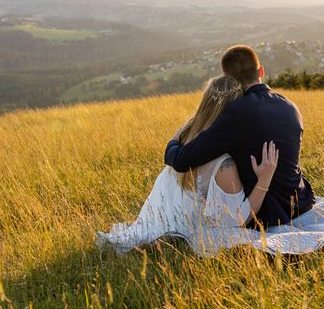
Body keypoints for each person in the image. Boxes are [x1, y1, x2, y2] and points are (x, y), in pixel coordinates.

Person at [95, 74, 280, 254]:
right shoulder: (224, 165)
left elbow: (171, 147)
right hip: (192, 230)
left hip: (166, 220)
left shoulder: (187, 132)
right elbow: (239, 220)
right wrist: (264, 180)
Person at [164, 45, 316, 228]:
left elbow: (182, 161)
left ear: (230, 79)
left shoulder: (236, 112)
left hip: (264, 214)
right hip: (300, 202)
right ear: (261, 71)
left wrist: (173, 143)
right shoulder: (291, 106)